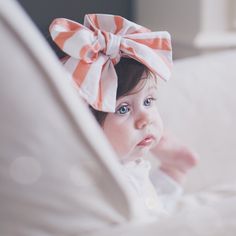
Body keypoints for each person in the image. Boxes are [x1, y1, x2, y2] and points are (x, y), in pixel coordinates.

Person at [49, 14, 198, 219]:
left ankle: (174, 171)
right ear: (86, 126)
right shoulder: (99, 184)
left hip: (151, 214)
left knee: (157, 205)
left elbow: (152, 208)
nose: (145, 119)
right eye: (123, 109)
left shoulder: (128, 164)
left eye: (148, 101)